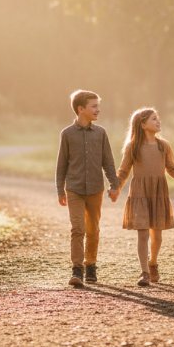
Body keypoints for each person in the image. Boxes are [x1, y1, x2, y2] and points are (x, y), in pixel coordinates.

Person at [55, 89, 119, 287]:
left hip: (95, 189)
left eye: (97, 106)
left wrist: (114, 184)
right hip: (73, 188)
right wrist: (60, 190)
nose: (98, 110)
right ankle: (77, 269)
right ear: (80, 109)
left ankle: (91, 265)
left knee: (93, 229)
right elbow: (61, 165)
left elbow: (108, 161)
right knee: (77, 228)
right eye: (94, 106)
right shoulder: (67, 134)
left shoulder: (100, 133)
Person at [116, 108, 174, 287]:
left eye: (158, 118)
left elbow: (172, 168)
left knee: (157, 235)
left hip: (158, 192)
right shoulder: (133, 147)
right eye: (154, 119)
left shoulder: (164, 146)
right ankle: (144, 271)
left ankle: (153, 262)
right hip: (140, 193)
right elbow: (123, 170)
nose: (158, 121)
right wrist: (115, 186)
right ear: (143, 124)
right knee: (143, 233)